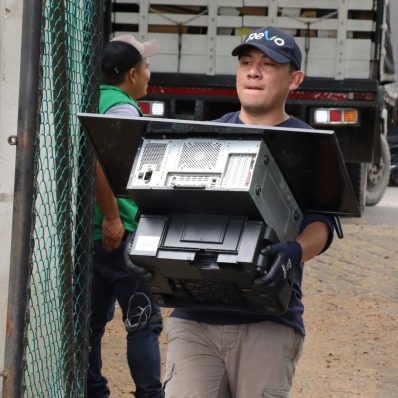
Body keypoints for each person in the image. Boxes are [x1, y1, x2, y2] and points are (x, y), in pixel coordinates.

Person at [162, 26, 336, 398]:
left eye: (268, 64)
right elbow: (169, 205)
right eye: (246, 63)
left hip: (268, 321)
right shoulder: (202, 137)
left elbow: (322, 222)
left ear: (295, 79)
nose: (254, 71)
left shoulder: (309, 145)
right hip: (194, 317)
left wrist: (294, 252)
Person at [87, 35, 164, 398]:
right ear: (132, 74)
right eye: (146, 67)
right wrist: (113, 216)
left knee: (90, 326)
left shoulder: (95, 99)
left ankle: (93, 390)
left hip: (90, 233)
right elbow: (99, 162)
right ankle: (150, 394)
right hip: (122, 229)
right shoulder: (122, 109)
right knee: (142, 321)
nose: (149, 74)